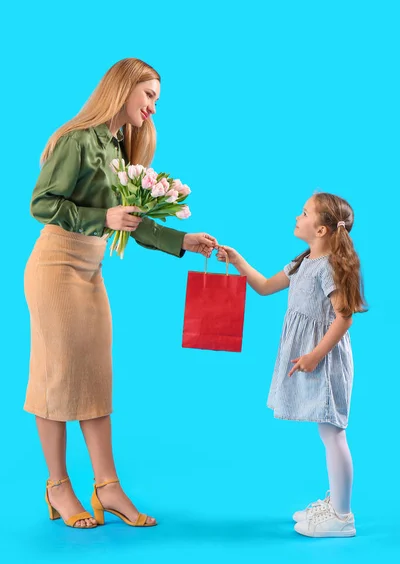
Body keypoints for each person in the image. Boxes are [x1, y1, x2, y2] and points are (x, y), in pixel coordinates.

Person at [24, 57, 218, 529]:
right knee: (55, 375)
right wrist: (100, 220)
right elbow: (41, 203)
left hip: (90, 268)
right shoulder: (76, 140)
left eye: (156, 99)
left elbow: (127, 221)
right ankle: (58, 487)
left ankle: (107, 487)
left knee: (95, 375)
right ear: (123, 88)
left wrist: (183, 242)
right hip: (55, 264)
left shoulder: (117, 147)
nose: (153, 106)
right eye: (149, 95)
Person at [217, 192, 366, 538]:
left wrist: (315, 355)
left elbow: (344, 318)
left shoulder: (328, 268)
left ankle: (342, 515)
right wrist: (238, 261)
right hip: (312, 359)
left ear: (323, 230)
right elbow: (266, 286)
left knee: (333, 431)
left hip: (325, 363)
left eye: (304, 213)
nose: (297, 217)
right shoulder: (302, 262)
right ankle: (336, 503)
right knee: (327, 431)